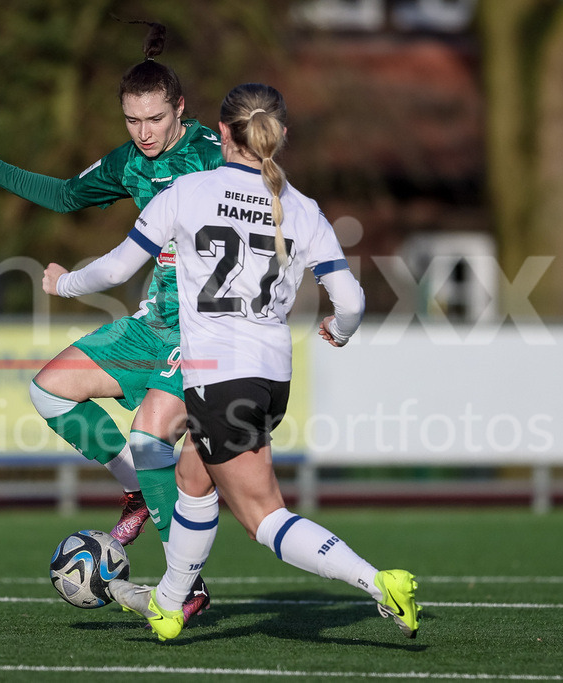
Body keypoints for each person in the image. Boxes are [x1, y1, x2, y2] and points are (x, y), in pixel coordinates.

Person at [43, 83, 422, 642]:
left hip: (220, 377)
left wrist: (65, 283)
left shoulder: (190, 191)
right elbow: (353, 303)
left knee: (262, 517)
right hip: (271, 379)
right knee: (194, 478)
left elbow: (117, 271)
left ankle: (378, 582)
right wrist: (338, 332)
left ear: (220, 132)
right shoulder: (303, 207)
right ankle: (171, 605)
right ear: (281, 135)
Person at [0, 22, 223, 621]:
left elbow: (271, 200)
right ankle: (134, 488)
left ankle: (185, 582)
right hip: (149, 323)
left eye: (155, 119)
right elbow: (64, 196)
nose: (145, 133)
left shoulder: (215, 155)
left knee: (152, 438)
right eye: (133, 121)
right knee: (48, 391)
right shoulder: (130, 162)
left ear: (179, 107)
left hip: (202, 331)